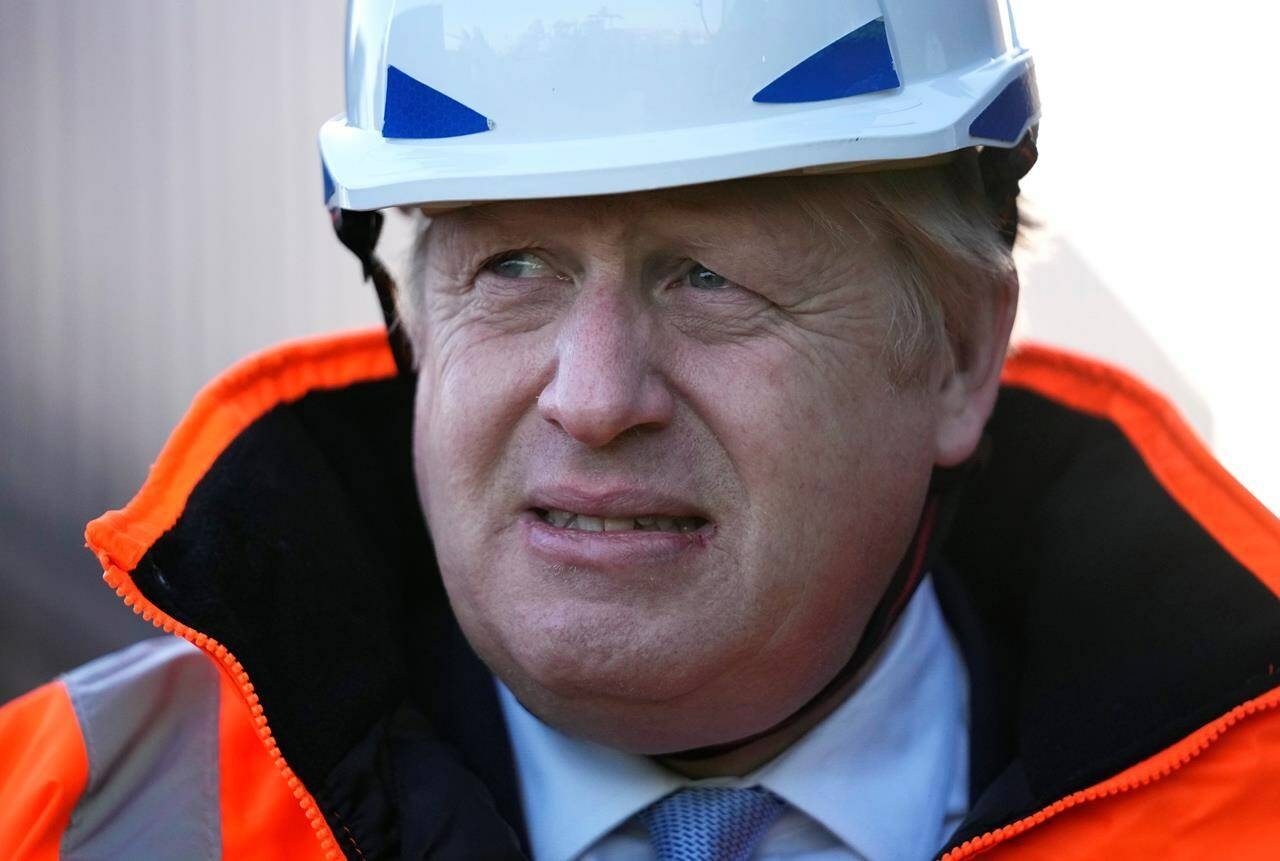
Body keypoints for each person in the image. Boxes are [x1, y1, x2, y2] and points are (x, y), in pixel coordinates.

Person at [3, 2, 1279, 859]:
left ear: (953, 352)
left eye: (707, 278)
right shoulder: (70, 812)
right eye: (511, 267)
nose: (594, 397)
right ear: (416, 318)